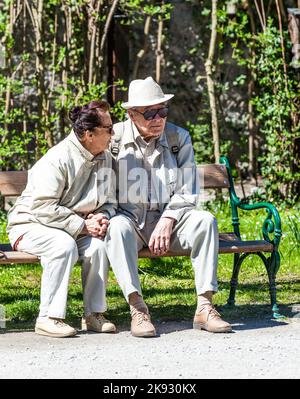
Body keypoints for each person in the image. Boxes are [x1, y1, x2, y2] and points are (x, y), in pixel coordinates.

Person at [107, 77, 232, 337]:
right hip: (132, 223)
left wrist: (168, 219)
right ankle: (138, 309)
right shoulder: (114, 139)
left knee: (205, 220)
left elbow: (188, 190)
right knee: (117, 227)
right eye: (150, 112)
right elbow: (102, 188)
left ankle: (205, 307)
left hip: (170, 223)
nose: (158, 118)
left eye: (162, 110)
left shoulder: (178, 137)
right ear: (131, 114)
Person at [6, 100, 118, 338]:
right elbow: (42, 206)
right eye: (108, 128)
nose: (113, 132)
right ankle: (48, 317)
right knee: (62, 246)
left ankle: (93, 315)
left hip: (72, 228)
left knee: (98, 247)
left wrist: (102, 216)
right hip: (30, 224)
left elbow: (109, 200)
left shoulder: (106, 157)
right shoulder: (57, 158)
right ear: (89, 134)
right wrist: (82, 225)